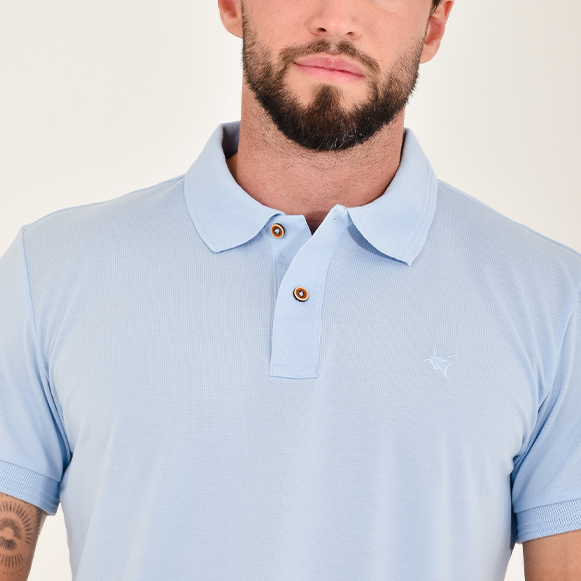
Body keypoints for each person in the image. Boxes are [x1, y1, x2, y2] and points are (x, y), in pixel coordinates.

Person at [0, 0, 580, 579]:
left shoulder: (555, 302)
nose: (337, 18)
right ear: (233, 5)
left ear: (433, 25)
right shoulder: (49, 271)